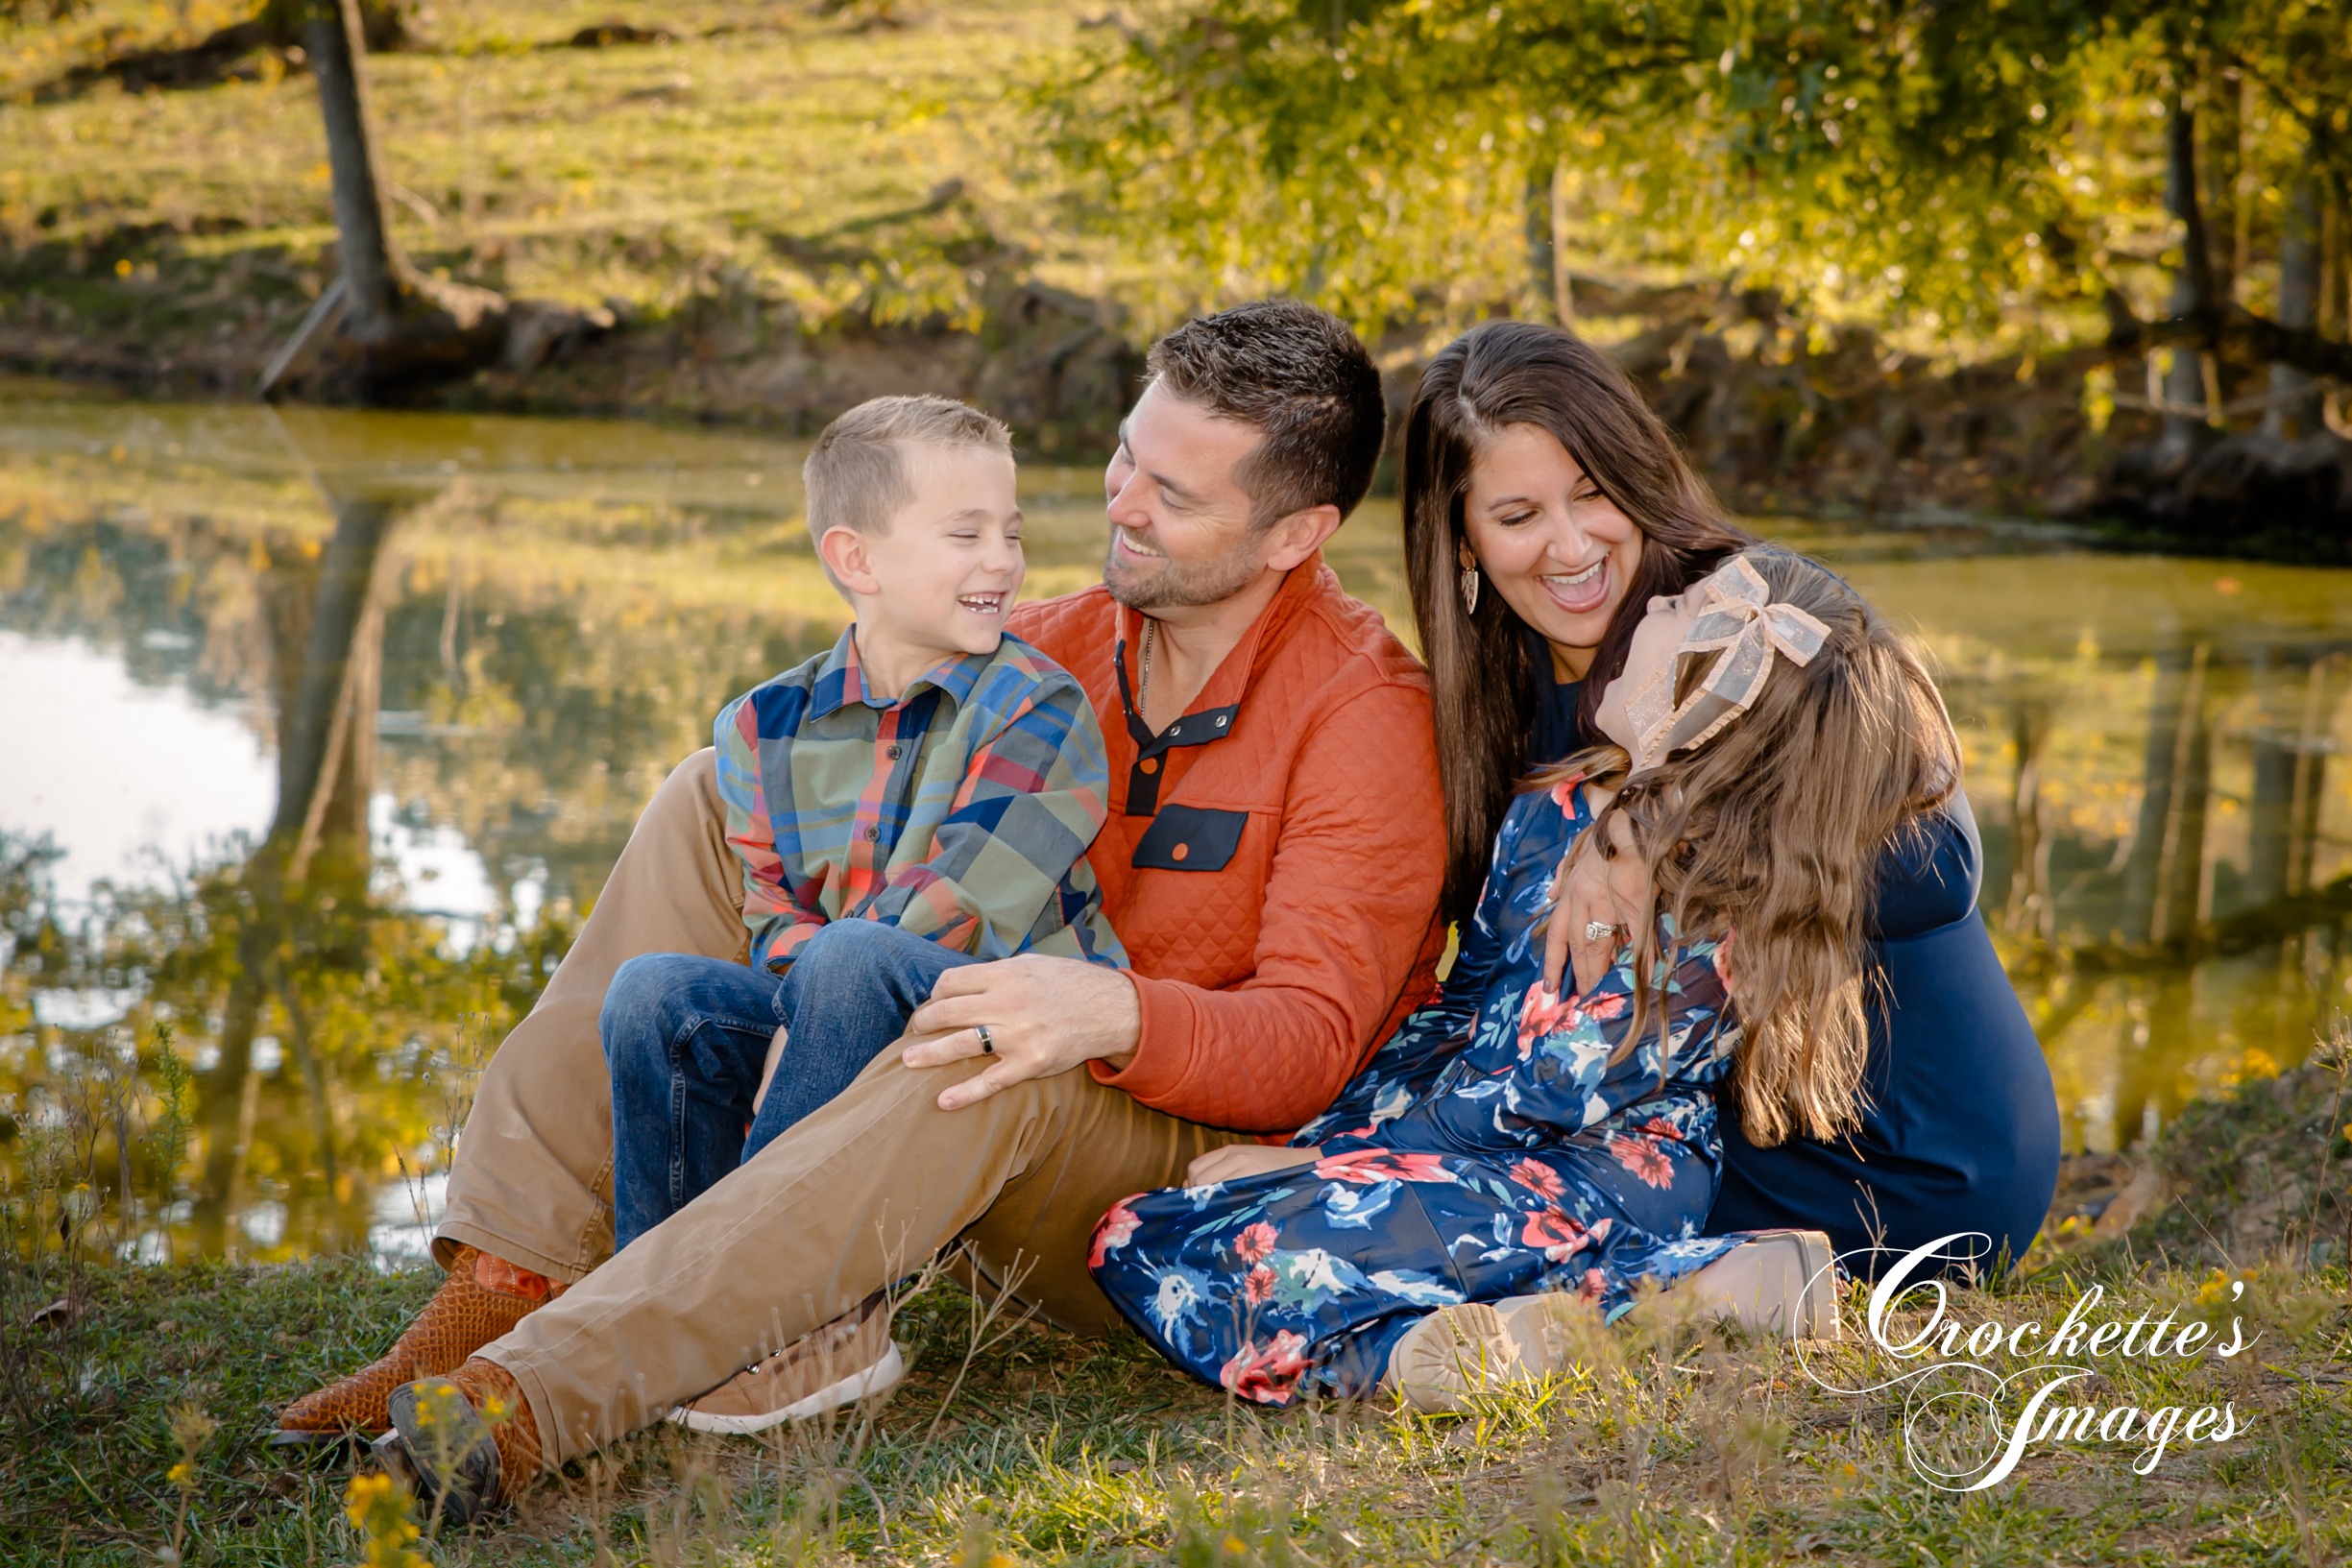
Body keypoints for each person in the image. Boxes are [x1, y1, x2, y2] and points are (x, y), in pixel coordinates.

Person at [277, 301, 1452, 1521]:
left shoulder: (1362, 718)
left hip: (1168, 1172)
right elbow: (845, 824)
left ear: (1295, 532)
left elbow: (1308, 1045)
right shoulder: (1035, 649)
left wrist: (1106, 1011)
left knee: (991, 1047)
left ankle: (535, 1395)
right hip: (971, 1080)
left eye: (1176, 494)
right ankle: (508, 1276)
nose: (1121, 503)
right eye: (1125, 456)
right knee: (711, 791)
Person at [1090, 547, 1954, 1409]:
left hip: (1592, 1176)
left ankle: (1705, 1285)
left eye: (1677, 612)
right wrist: (1335, 1135)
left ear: (1716, 695)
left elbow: (1545, 1090)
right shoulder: (1553, 805)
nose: (1647, 610)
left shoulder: (1713, 902)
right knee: (1147, 1232)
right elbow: (1463, 998)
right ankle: (1465, 1343)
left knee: (1220, 1240)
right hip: (1452, 1147)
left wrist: (1331, 1161)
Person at [1396, 320, 2058, 1278]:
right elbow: (1497, 969)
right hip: (1703, 1114)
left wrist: (1656, 820)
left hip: (1902, 1156)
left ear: (1637, 474)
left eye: (1593, 492)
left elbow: (1939, 863)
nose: (1570, 545)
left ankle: (1701, 1286)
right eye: (1517, 514)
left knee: (1492, 1195)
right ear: (1459, 535)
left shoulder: (1749, 614)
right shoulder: (1497, 691)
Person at [600, 396, 1127, 1344]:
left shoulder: (1039, 707)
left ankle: (761, 1310)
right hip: (843, 1009)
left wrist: (807, 1005)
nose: (1002, 561)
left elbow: (963, 909)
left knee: (852, 957)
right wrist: (798, 1007)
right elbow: (773, 913)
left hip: (1009, 1032)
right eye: (965, 533)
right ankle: (653, 1298)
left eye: (1010, 532)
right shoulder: (763, 724)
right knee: (656, 994)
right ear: (856, 559)